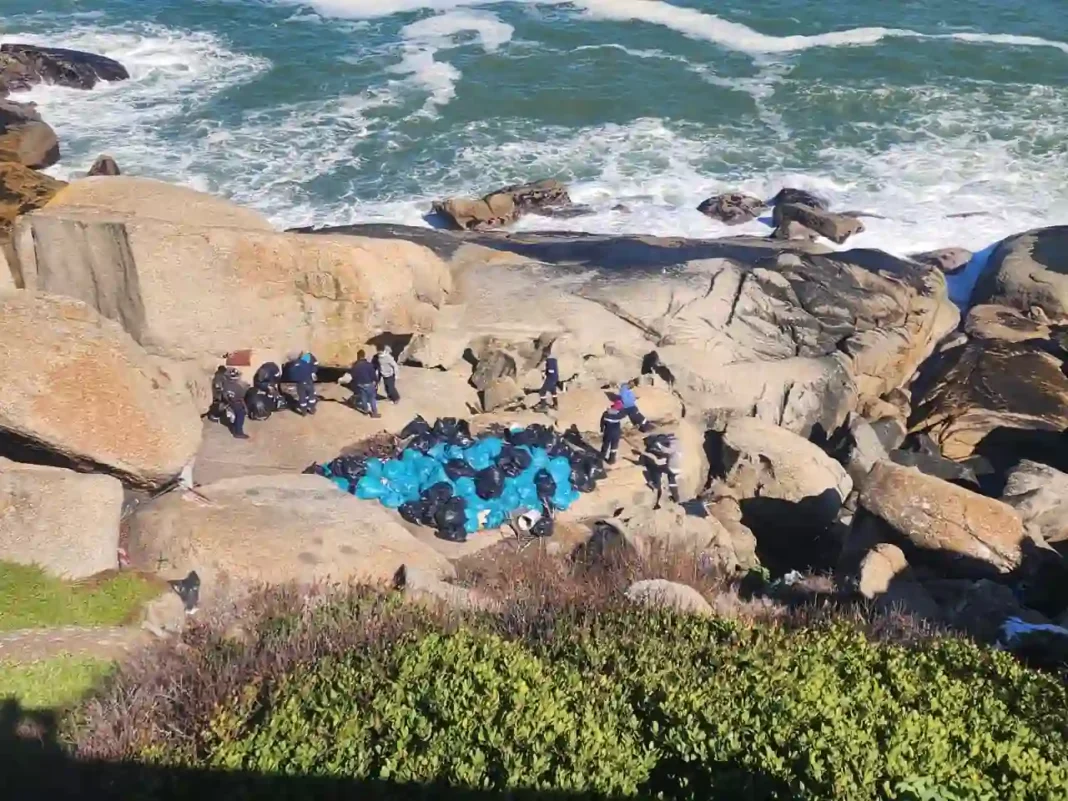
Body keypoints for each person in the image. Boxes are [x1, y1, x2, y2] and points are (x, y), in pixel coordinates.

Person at [644, 432, 681, 509]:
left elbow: (664, 451)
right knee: (671, 478)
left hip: (672, 467)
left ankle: (655, 484)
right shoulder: (680, 445)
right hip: (679, 468)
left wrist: (658, 445)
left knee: (656, 469)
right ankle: (676, 497)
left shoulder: (672, 447)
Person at [217, 367, 250, 439]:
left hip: (227, 402)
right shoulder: (238, 387)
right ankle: (238, 432)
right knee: (241, 414)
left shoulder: (225, 384)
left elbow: (223, 394)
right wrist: (245, 407)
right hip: (235, 403)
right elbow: (241, 398)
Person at [283, 351, 318, 416]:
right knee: (311, 395)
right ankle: (312, 409)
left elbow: (291, 376)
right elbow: (312, 370)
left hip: (300, 384)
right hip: (308, 382)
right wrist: (313, 374)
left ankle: (303, 412)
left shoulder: (292, 366)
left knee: (302, 397)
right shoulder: (306, 364)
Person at [347, 349, 380, 418]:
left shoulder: (355, 366)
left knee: (363, 397)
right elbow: (373, 374)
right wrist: (376, 381)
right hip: (369, 383)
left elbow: (353, 375)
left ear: (358, 356)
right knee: (372, 398)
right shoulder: (369, 365)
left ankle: (365, 411)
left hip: (360, 384)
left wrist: (356, 383)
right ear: (364, 356)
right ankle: (374, 413)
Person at [599, 399, 626, 465]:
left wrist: (602, 429)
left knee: (605, 445)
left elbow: (602, 422)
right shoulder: (620, 415)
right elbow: (624, 414)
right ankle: (612, 460)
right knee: (614, 446)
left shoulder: (606, 413)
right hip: (616, 433)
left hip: (608, 432)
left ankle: (601, 458)